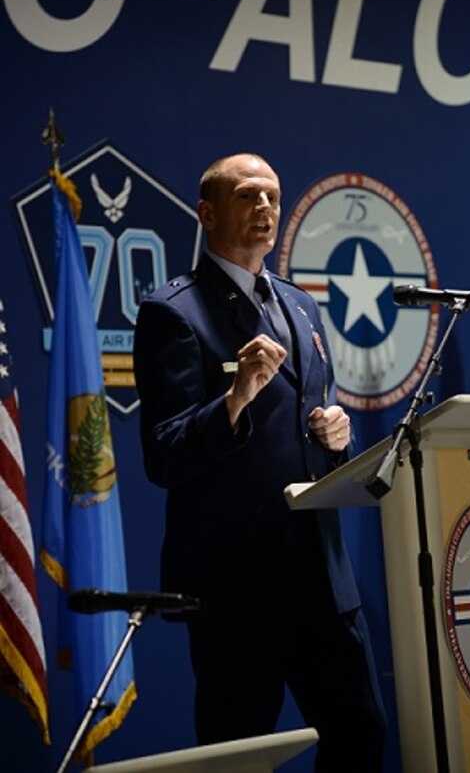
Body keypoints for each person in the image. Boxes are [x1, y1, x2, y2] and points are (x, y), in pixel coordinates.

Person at [133, 153, 387, 771]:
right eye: (248, 196)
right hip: (236, 594)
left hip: (323, 583)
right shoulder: (174, 312)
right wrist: (235, 398)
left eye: (273, 196)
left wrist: (337, 436)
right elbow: (164, 455)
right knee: (236, 757)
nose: (266, 209)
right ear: (207, 213)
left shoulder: (301, 306)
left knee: (362, 742)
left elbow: (311, 424)